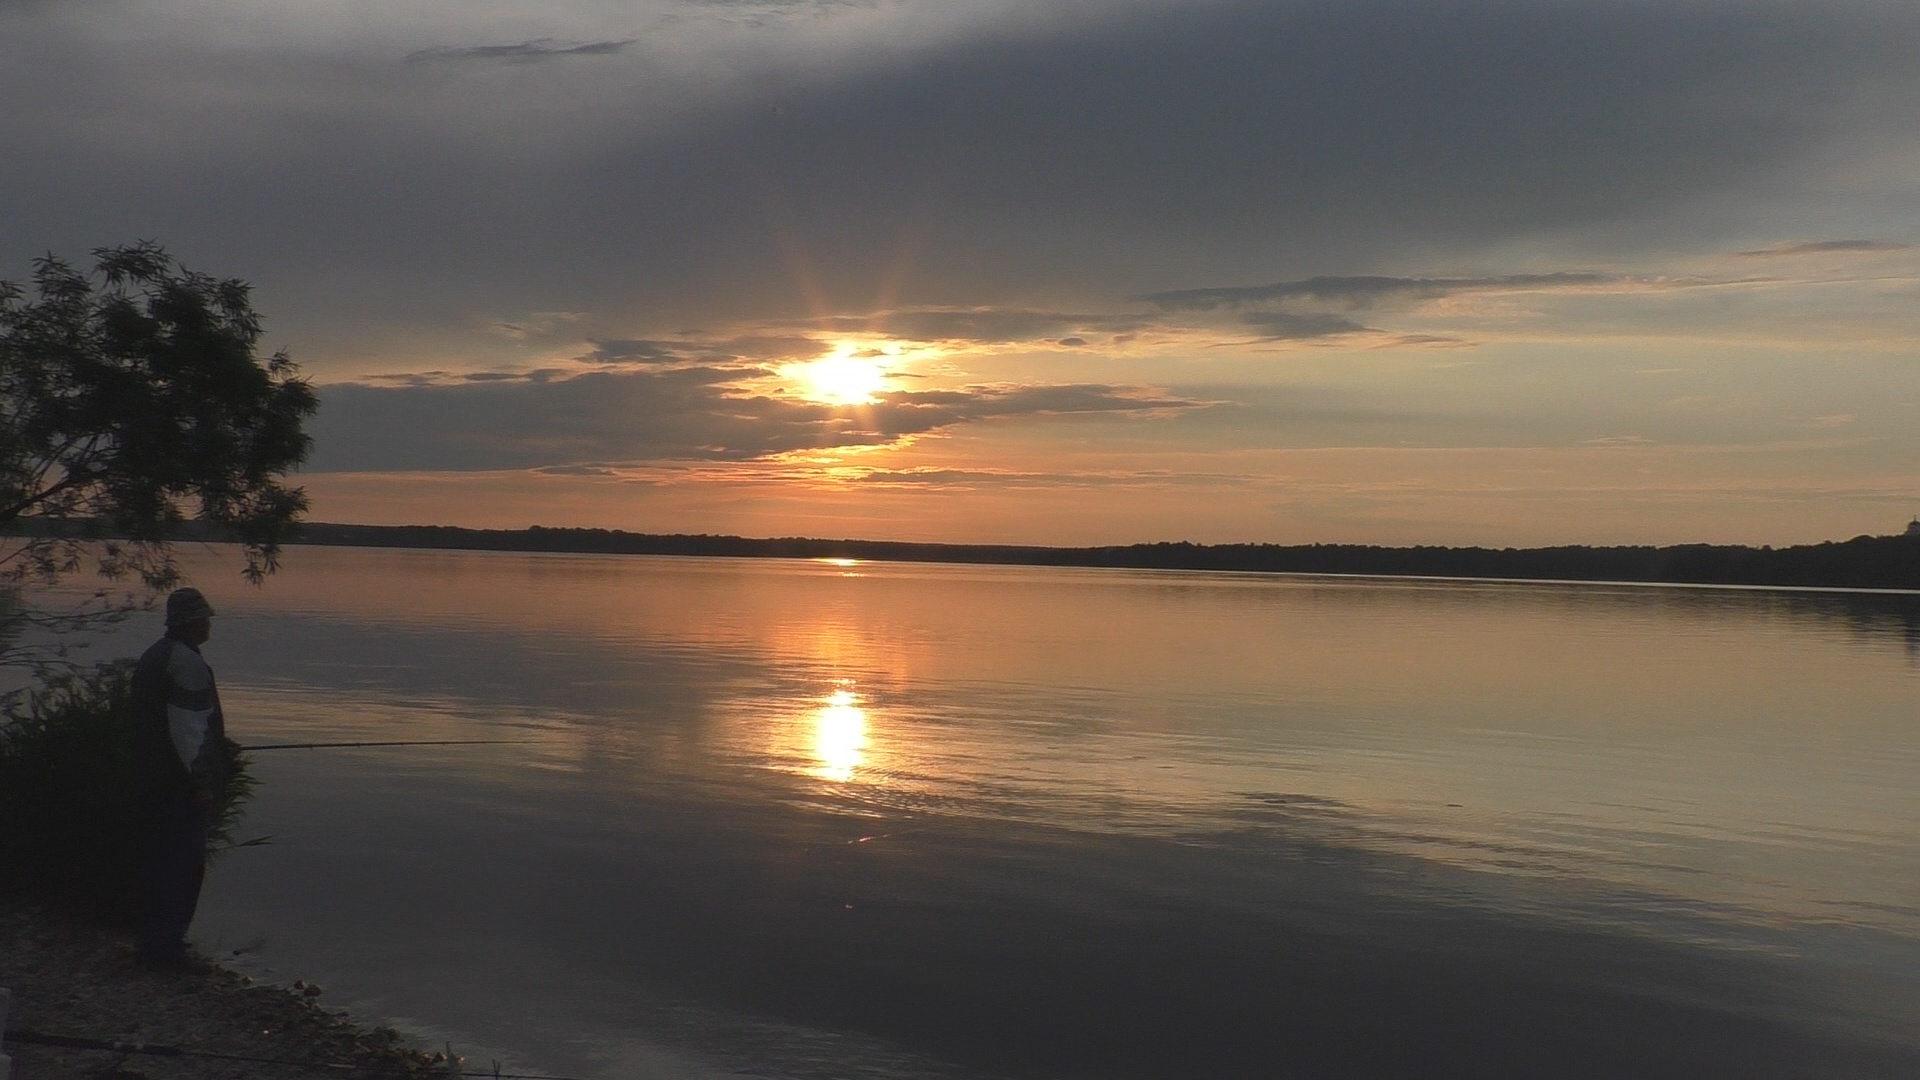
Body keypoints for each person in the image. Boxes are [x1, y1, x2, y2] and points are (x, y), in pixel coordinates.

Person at [130, 586, 232, 970]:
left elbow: (170, 723)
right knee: (183, 867)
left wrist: (221, 745)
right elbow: (186, 733)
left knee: (160, 864)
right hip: (177, 787)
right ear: (193, 622)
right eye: (206, 618)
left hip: (152, 780)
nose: (210, 624)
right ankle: (166, 950)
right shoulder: (185, 663)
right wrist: (203, 781)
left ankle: (153, 943)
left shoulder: (156, 655)